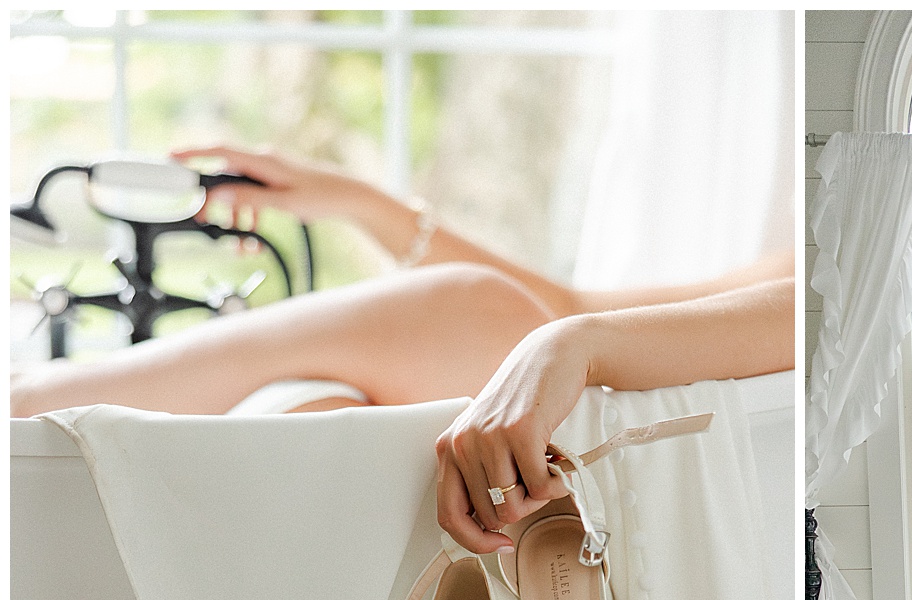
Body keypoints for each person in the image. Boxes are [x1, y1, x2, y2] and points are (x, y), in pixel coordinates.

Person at [10, 145, 795, 555]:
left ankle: (27, 401)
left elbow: (574, 320)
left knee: (474, 314)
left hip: (617, 434)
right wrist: (358, 203)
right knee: (329, 404)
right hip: (567, 377)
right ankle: (32, 399)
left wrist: (573, 345)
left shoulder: (840, 282)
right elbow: (572, 305)